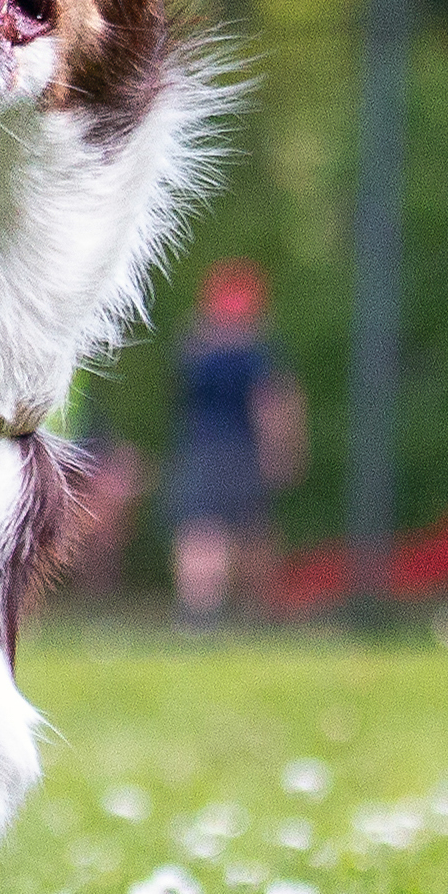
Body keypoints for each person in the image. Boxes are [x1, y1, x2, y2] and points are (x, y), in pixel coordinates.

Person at [169, 260, 306, 622]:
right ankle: (257, 612)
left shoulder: (196, 348)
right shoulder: (257, 352)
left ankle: (199, 616)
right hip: (244, 450)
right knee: (251, 531)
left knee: (201, 530)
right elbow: (270, 404)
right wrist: (280, 453)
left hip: (203, 448)